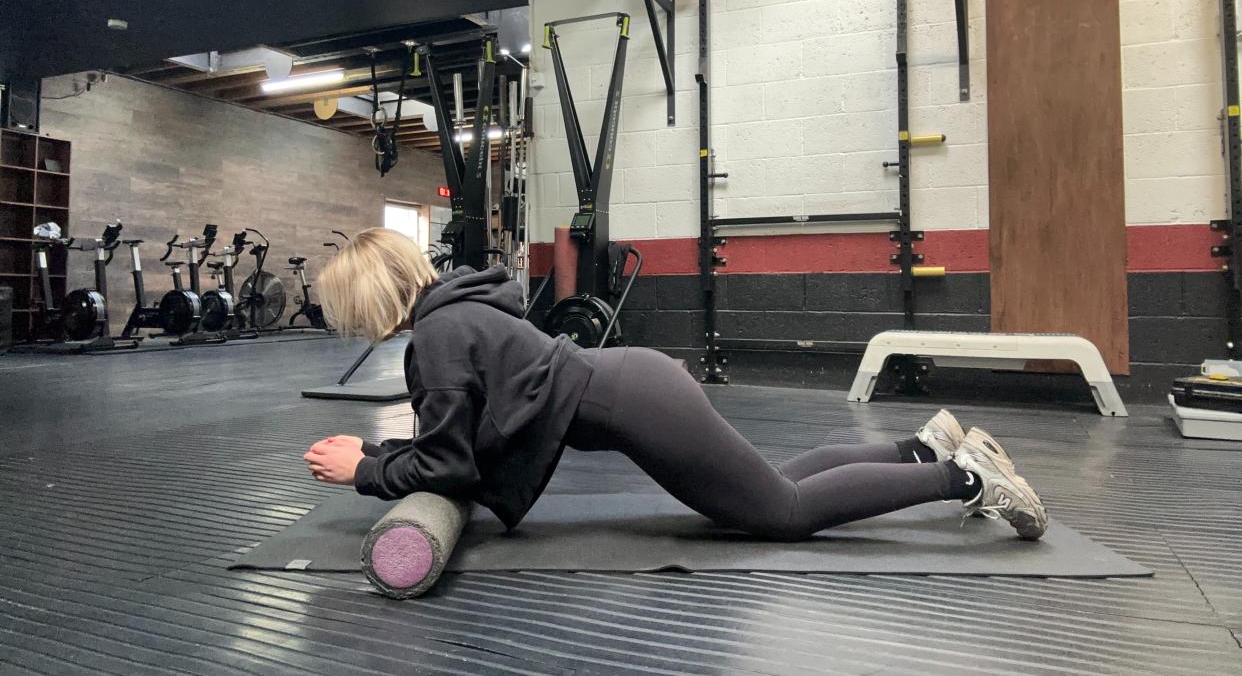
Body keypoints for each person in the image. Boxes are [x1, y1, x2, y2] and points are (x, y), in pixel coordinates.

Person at [303, 228, 1048, 541]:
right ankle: (922, 445)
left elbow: (449, 462)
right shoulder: (458, 309)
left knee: (782, 512)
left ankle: (962, 477)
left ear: (368, 299)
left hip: (636, 399)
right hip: (637, 383)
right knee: (777, 480)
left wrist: (365, 467)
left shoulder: (436, 339)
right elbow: (458, 436)